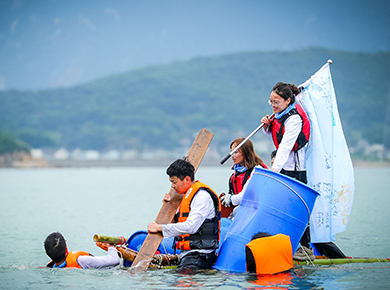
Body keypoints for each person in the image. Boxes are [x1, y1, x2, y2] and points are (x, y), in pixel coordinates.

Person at [261, 82, 346, 260]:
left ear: (288, 100)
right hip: (284, 168)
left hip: (295, 171)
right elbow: (276, 137)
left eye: (276, 101)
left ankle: (306, 248)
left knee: (297, 210)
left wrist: (273, 171)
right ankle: (287, 243)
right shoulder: (279, 116)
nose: (273, 105)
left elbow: (285, 147)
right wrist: (267, 127)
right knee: (283, 208)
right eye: (271, 102)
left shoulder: (294, 119)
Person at [147, 158, 221, 270]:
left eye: (174, 182)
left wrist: (159, 228)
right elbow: (178, 225)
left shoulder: (201, 197)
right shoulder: (186, 196)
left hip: (200, 255)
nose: (172, 186)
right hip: (188, 254)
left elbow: (191, 227)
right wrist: (169, 207)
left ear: (187, 179)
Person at [220, 138, 267, 218]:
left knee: (236, 211)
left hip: (258, 211)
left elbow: (243, 196)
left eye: (236, 152)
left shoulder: (257, 170)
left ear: (246, 153)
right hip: (243, 210)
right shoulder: (235, 173)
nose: (232, 155)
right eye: (231, 152)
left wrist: (230, 198)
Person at [44, 232, 120, 269]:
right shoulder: (81, 260)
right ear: (66, 249)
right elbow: (115, 260)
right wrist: (111, 246)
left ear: (47, 253)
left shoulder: (50, 268)